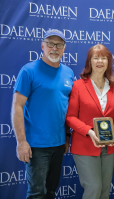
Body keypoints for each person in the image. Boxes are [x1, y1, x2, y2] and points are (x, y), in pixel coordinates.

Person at [11, 29, 74, 199]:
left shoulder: (69, 73)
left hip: (59, 144)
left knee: (51, 191)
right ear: (42, 46)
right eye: (50, 44)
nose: (55, 48)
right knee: (37, 194)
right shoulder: (28, 71)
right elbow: (17, 107)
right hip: (36, 146)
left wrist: (67, 137)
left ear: (64, 48)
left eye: (59, 44)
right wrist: (21, 142)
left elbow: (67, 109)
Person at [65, 44, 114, 199]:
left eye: (104, 58)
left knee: (104, 191)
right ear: (89, 62)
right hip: (85, 144)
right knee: (94, 188)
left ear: (108, 62)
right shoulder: (78, 86)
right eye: (96, 57)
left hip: (109, 146)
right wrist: (89, 132)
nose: (100, 61)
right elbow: (70, 117)